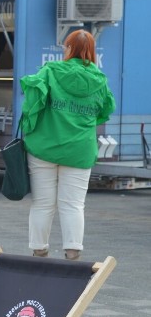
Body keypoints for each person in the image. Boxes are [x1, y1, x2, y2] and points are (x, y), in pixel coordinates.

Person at [21, 29, 115, 261]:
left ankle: (39, 248)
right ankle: (72, 250)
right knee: (73, 204)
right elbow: (105, 110)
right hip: (80, 150)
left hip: (44, 147)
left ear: (69, 49)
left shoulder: (50, 71)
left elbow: (32, 103)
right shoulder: (99, 80)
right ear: (91, 52)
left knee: (43, 203)